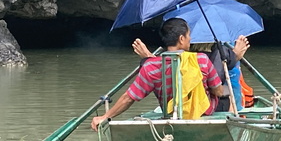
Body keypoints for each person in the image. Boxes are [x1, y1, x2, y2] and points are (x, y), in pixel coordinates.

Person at [91, 18, 223, 131]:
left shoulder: (151, 66)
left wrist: (105, 116)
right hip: (203, 113)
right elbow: (218, 91)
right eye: (189, 35)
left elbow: (129, 98)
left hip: (170, 114)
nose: (191, 38)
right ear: (181, 39)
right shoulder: (202, 60)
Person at [133, 35, 251, 112]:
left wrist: (149, 59)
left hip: (178, 106)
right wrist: (234, 58)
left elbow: (162, 72)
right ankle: (235, 116)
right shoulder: (210, 58)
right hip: (202, 106)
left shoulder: (178, 57)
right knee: (227, 91)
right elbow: (217, 89)